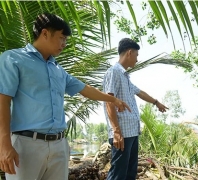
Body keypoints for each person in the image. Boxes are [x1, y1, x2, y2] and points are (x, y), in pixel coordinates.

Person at [0, 13, 130, 180]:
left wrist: (113, 99)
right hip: (26, 146)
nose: (64, 44)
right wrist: (4, 144)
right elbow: (3, 100)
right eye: (62, 38)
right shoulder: (13, 59)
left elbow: (85, 89)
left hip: (59, 146)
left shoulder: (58, 69)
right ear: (45, 33)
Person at [103, 38, 169, 180]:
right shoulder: (113, 72)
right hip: (122, 134)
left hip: (132, 132)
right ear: (129, 52)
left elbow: (140, 92)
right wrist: (116, 131)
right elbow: (109, 101)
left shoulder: (125, 76)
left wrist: (156, 102)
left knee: (129, 173)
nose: (137, 60)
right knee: (118, 174)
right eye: (137, 56)